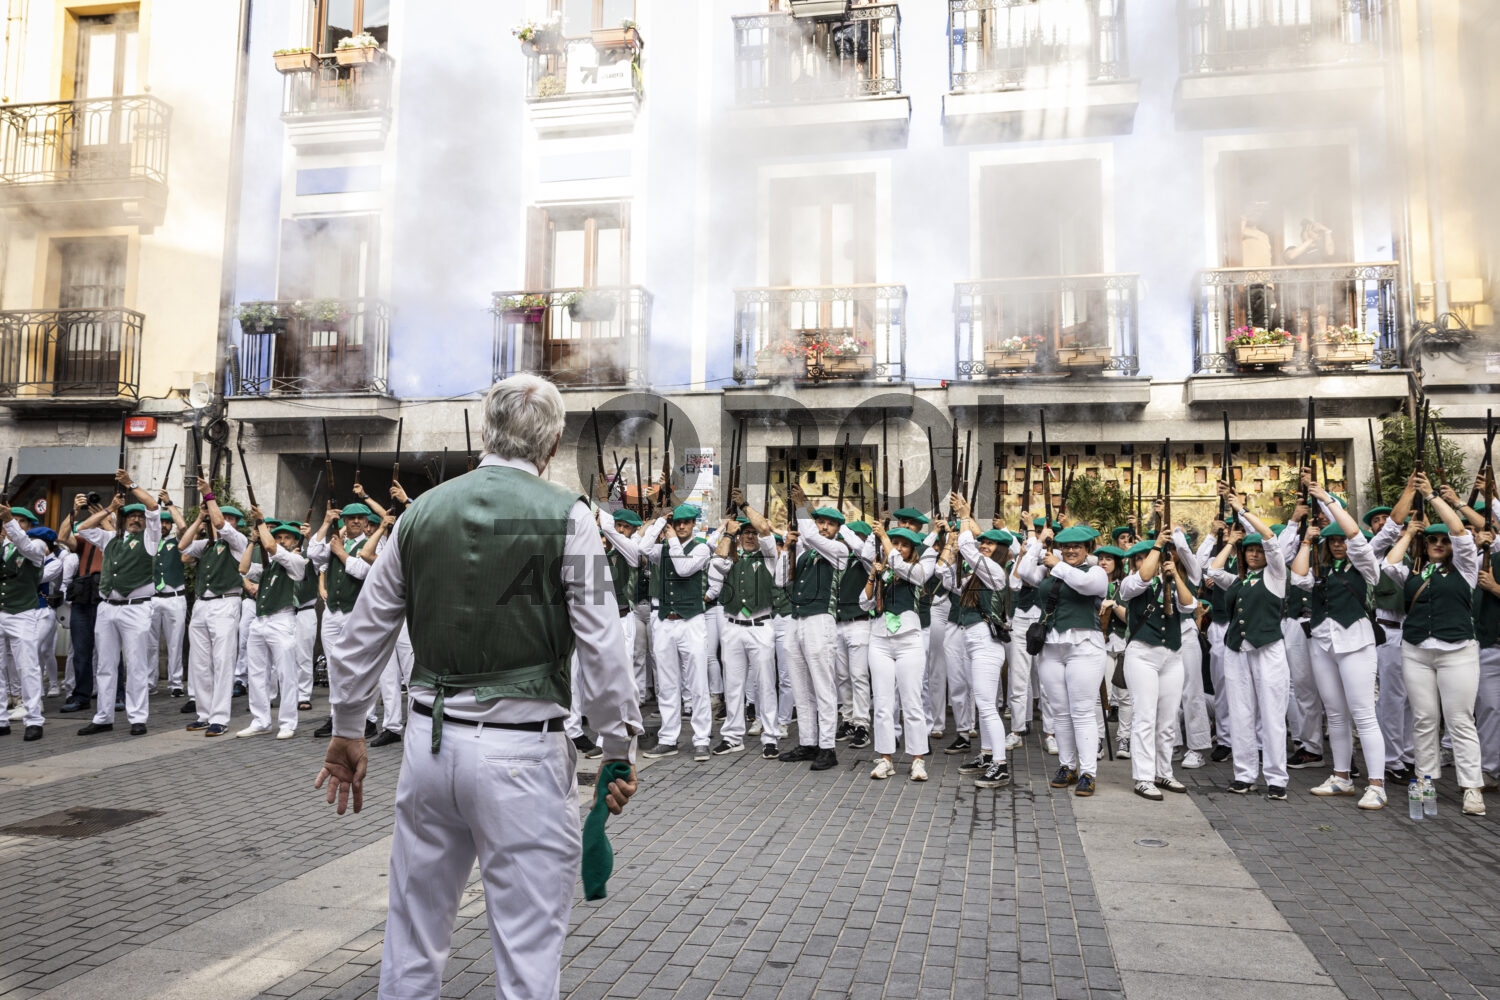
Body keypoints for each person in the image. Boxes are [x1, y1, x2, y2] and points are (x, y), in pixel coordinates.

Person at [315, 373, 641, 999]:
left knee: (412, 934)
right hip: (522, 752)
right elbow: (603, 645)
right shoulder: (569, 516)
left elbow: (361, 634)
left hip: (430, 747)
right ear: (551, 446)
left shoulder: (419, 514)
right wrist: (617, 749)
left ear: (485, 434)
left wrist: (348, 727)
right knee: (527, 950)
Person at [1381, 474, 1484, 817]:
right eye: (1433, 540)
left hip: (1457, 651)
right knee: (1424, 718)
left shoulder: (1466, 568)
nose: (1439, 544)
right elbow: (1389, 564)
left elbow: (1460, 531)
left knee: (1460, 720)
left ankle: (1471, 787)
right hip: (1416, 651)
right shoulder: (1414, 572)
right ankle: (1425, 780)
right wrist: (1410, 533)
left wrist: (1432, 497)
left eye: (1443, 540)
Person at [1291, 480, 1386, 809]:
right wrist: (1307, 540)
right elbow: (1297, 577)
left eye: (1340, 540)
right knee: (1335, 714)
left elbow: (1356, 535)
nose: (1338, 545)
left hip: (1355, 641)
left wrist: (1326, 500)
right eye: (1332, 541)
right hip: (1323, 642)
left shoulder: (1366, 566)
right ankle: (1341, 777)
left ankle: (1377, 785)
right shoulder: (1323, 571)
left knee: (1364, 714)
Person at [1208, 483, 1289, 799]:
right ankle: (1244, 774)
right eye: (1249, 550)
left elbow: (1270, 538)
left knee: (1272, 714)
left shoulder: (1275, 575)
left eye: (1258, 551)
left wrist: (1242, 510)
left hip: (1267, 649)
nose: (1254, 553)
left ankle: (1277, 778)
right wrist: (1231, 543)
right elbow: (1213, 569)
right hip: (1236, 650)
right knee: (1240, 714)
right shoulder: (1239, 580)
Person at [1018, 524, 1109, 796]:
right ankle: (1067, 766)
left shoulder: (1095, 572)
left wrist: (1057, 564)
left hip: (1084, 646)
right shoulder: (1050, 570)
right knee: (1059, 710)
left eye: (1076, 547)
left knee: (1082, 711)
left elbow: (1084, 585)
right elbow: (1024, 572)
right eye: (1066, 546)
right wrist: (1039, 541)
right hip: (1051, 646)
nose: (1070, 551)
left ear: (1087, 549)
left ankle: (1088, 772)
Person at [71, 473, 161, 736]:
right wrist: (110, 508)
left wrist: (131, 484)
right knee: (105, 665)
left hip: (136, 606)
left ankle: (138, 717)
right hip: (107, 606)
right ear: (122, 520)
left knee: (136, 664)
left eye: (140, 517)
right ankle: (103, 717)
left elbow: (153, 505)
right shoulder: (110, 539)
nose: (136, 519)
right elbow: (83, 529)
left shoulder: (150, 539)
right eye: (131, 516)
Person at [1116, 537, 1195, 800]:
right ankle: (1143, 776)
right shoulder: (1130, 583)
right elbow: (1143, 578)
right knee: (1145, 717)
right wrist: (1157, 545)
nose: (1143, 562)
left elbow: (1189, 605)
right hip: (1142, 655)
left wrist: (1175, 575)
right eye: (1138, 558)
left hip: (1172, 656)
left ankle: (1164, 772)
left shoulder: (1169, 581)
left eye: (1146, 557)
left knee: (1168, 720)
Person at [776, 486, 847, 771]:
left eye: (830, 524)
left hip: (820, 620)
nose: (824, 527)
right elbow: (781, 580)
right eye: (821, 522)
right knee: (800, 687)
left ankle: (827, 747)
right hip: (797, 620)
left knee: (823, 686)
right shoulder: (805, 553)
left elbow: (812, 537)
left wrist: (802, 506)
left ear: (838, 529)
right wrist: (786, 549)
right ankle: (808, 742)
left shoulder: (839, 550)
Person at [639, 502, 714, 761]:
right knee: (667, 683)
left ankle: (701, 739)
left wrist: (671, 539)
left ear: (693, 524)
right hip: (664, 620)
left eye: (685, 522)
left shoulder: (701, 548)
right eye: (677, 522)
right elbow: (642, 547)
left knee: (697, 682)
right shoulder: (663, 548)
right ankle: (668, 738)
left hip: (691, 621)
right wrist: (660, 521)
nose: (681, 527)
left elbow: (683, 569)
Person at [948, 495, 1014, 789]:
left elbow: (966, 546)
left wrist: (965, 516)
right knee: (982, 703)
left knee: (987, 705)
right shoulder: (978, 575)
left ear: (1001, 551)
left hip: (986, 645)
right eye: (983, 541)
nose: (984, 545)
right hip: (974, 642)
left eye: (990, 544)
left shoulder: (995, 572)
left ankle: (1000, 765)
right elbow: (948, 580)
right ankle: (987, 755)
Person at [862, 523, 936, 780]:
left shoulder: (917, 570)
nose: (899, 548)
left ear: (912, 550)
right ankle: (885, 759)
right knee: (883, 703)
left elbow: (908, 572)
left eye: (904, 545)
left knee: (912, 702)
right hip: (880, 640)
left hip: (909, 641)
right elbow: (864, 602)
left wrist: (884, 537)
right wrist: (872, 575)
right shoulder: (884, 570)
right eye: (896, 543)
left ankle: (918, 760)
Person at [707, 505, 780, 758]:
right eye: (745, 533)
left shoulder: (769, 556)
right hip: (732, 625)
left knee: (765, 684)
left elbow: (765, 530)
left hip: (760, 625)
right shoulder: (730, 558)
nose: (750, 536)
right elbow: (716, 561)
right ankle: (732, 736)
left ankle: (770, 736)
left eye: (753, 533)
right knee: (733, 684)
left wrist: (745, 506)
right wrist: (729, 532)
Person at [177, 484, 248, 737]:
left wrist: (209, 495)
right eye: (223, 516)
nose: (225, 521)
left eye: (231, 518)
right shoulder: (207, 544)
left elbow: (220, 524)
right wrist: (199, 518)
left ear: (237, 523)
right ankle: (204, 714)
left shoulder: (239, 542)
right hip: (202, 604)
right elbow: (183, 547)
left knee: (222, 661)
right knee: (200, 663)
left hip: (225, 602)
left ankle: (220, 717)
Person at [237, 514, 308, 739]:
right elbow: (243, 568)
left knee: (286, 674)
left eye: (287, 537)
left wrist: (260, 523)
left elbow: (271, 547)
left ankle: (288, 723)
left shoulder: (296, 562)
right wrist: (252, 541)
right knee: (257, 673)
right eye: (279, 537)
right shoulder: (269, 565)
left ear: (295, 542)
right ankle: (261, 721)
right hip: (261, 621)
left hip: (282, 619)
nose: (282, 540)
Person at [0, 505, 50, 740]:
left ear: (29, 526)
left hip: (22, 613)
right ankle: (1, 719)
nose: (15, 525)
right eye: (12, 520)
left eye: (22, 521)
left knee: (27, 667)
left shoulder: (36, 545)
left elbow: (26, 547)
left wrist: (9, 521)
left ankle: (34, 719)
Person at [147, 495, 189, 697]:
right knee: (150, 644)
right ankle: (149, 683)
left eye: (166, 523)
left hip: (174, 596)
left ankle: (176, 683)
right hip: (152, 598)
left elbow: (184, 528)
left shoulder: (178, 542)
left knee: (175, 642)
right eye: (160, 522)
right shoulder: (148, 543)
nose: (163, 525)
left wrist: (170, 504)